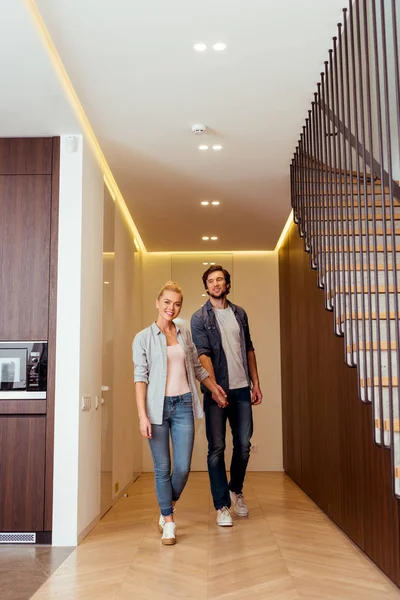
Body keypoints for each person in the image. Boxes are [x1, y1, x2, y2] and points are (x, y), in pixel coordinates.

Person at [132, 281, 227, 545]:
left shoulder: (184, 334)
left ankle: (166, 505)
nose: (171, 308)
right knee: (162, 468)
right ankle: (169, 522)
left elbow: (197, 368)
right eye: (167, 302)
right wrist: (142, 415)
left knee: (183, 467)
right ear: (157, 302)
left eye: (176, 304)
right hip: (157, 407)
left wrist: (215, 389)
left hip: (184, 403)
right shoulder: (143, 338)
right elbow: (140, 378)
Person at [191, 265, 263, 527]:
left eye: (220, 279)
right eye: (211, 281)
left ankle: (236, 489)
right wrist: (214, 388)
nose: (216, 284)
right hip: (216, 391)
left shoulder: (239, 313)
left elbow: (250, 349)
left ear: (227, 283)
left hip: (242, 388)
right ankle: (222, 505)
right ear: (206, 287)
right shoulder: (199, 318)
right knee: (217, 448)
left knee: (243, 445)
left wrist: (256, 383)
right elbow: (203, 354)